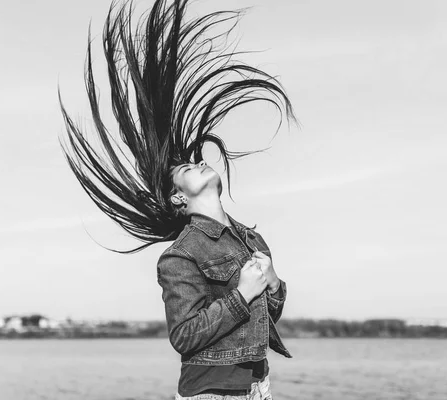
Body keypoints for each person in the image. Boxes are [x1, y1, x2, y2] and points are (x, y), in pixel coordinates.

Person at [59, 0, 296, 398]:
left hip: (258, 386)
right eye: (186, 168)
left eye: (196, 160)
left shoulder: (252, 241)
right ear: (176, 199)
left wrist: (273, 284)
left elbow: (267, 316)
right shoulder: (180, 256)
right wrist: (243, 294)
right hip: (211, 391)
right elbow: (184, 336)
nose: (198, 163)